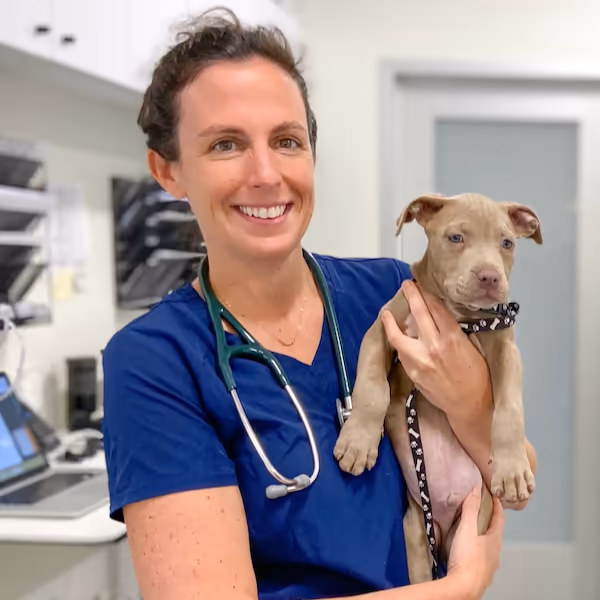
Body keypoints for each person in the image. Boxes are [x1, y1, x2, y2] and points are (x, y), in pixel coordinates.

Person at [101, 8, 537, 600]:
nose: (266, 173)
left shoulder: (397, 292)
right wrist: (460, 585)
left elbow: (511, 472)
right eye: (226, 144)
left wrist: (469, 402)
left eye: (287, 141)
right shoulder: (155, 360)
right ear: (168, 170)